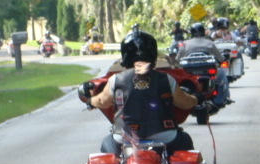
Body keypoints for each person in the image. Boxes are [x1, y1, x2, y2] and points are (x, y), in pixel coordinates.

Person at [80, 26, 201, 156]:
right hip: (165, 137)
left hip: (124, 138)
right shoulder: (166, 79)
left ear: (125, 56)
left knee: (106, 143)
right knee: (185, 141)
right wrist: (196, 98)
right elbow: (184, 102)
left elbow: (102, 101)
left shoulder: (116, 80)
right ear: (153, 55)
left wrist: (91, 101)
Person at [177, 22, 231, 105]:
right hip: (208, 72)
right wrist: (223, 59)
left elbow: (177, 59)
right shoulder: (209, 43)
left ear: (191, 32)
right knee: (222, 73)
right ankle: (226, 97)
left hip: (189, 73)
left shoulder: (185, 44)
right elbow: (220, 58)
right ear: (203, 32)